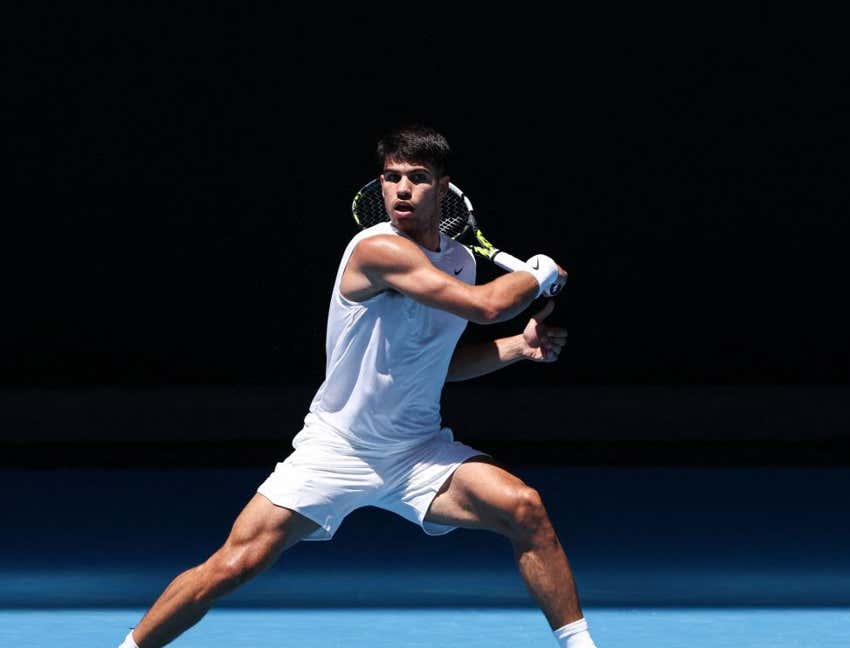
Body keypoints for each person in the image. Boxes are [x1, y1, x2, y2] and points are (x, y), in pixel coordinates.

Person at [118, 124, 597, 648]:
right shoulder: (375, 250)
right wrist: (539, 272)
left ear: (443, 187)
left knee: (523, 507)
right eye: (392, 178)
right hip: (337, 447)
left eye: (418, 177)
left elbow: (440, 364)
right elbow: (488, 306)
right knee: (232, 566)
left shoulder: (459, 260)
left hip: (417, 451)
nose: (403, 190)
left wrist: (517, 349)